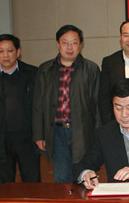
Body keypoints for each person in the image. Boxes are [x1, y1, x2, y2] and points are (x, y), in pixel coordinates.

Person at [32, 24, 100, 184]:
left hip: (83, 131)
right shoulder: (45, 69)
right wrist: (39, 134)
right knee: (61, 177)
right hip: (56, 132)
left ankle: (83, 201)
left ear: (80, 44)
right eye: (65, 42)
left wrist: (98, 135)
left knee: (84, 174)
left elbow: (97, 105)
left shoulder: (91, 69)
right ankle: (66, 200)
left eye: (74, 42)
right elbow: (38, 104)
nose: (69, 47)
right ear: (58, 44)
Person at [0, 34, 40, 188]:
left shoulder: (32, 73)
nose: (6, 55)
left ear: (18, 52)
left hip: (27, 139)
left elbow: (40, 108)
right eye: (1, 51)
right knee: (2, 187)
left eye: (10, 51)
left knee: (33, 185)